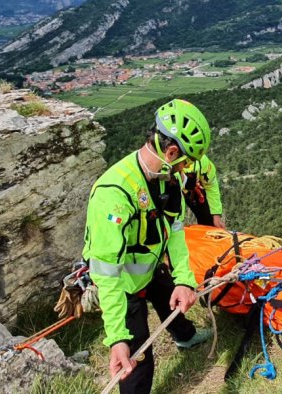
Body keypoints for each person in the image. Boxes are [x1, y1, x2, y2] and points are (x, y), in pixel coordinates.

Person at [83, 99, 213, 394]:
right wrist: (117, 337)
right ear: (170, 152)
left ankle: (184, 336)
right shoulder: (114, 194)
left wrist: (184, 280)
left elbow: (176, 231)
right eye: (186, 161)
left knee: (171, 295)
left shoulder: (167, 180)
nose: (187, 169)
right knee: (137, 359)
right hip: (124, 283)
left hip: (150, 266)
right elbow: (107, 273)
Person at [181, 154, 225, 228]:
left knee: (209, 220)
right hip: (170, 186)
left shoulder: (203, 162)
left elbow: (211, 186)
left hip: (192, 189)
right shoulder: (165, 158)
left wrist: (216, 214)